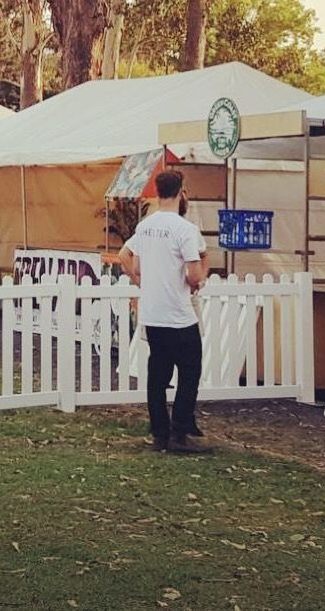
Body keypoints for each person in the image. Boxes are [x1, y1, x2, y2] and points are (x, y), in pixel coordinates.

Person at [119, 170, 212, 454]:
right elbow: (194, 273)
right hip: (179, 314)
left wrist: (145, 282)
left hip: (152, 313)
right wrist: (197, 281)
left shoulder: (145, 227)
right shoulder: (185, 229)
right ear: (181, 191)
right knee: (189, 372)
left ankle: (159, 433)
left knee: (157, 375)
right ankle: (179, 432)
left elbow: (135, 266)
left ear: (157, 192)